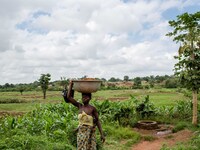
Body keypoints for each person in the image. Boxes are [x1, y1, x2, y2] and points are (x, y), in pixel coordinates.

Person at [63, 81, 105, 150]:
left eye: (85, 97)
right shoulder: (79, 106)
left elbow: (97, 121)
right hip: (81, 134)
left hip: (90, 133)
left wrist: (102, 134)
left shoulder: (92, 109)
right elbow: (69, 97)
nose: (83, 98)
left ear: (90, 98)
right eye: (83, 97)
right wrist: (71, 84)